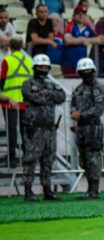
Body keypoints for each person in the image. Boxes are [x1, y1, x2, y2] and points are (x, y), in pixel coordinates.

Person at [21, 54, 66, 202]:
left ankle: (47, 190)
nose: (43, 69)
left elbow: (62, 96)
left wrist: (47, 94)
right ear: (35, 67)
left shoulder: (50, 84)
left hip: (49, 129)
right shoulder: (28, 83)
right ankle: (28, 191)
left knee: (48, 160)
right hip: (34, 129)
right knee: (31, 159)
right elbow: (34, 98)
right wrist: (49, 96)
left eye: (46, 67)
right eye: (40, 67)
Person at [70, 58, 104, 200]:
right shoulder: (78, 89)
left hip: (93, 128)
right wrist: (73, 112)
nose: (86, 73)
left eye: (88, 71)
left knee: (93, 159)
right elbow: (73, 105)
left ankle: (94, 190)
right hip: (81, 129)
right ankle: (89, 189)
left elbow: (99, 109)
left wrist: (81, 114)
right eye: (83, 71)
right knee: (84, 159)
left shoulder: (99, 88)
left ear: (93, 71)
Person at [0, 38, 32, 168]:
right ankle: (26, 156)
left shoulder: (7, 60)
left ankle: (11, 158)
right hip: (25, 101)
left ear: (9, 46)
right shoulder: (30, 61)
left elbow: (2, 81)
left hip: (10, 100)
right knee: (24, 129)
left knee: (11, 129)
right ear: (22, 46)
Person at [62, 6, 100, 78]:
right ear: (74, 15)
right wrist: (82, 40)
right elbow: (68, 40)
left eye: (83, 14)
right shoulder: (70, 25)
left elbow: (99, 39)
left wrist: (90, 23)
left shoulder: (89, 28)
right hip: (70, 62)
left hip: (84, 63)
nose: (81, 16)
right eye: (78, 14)